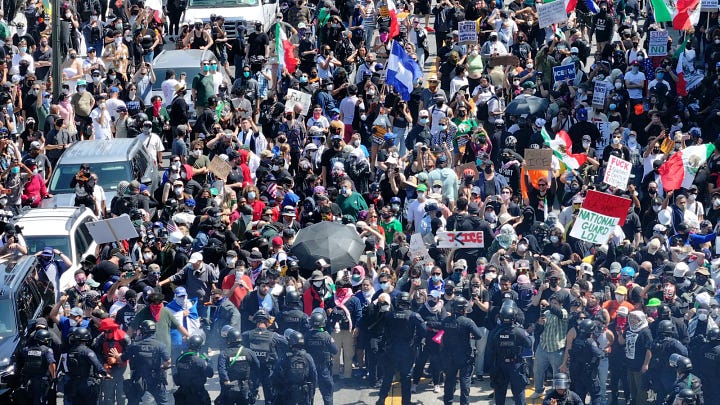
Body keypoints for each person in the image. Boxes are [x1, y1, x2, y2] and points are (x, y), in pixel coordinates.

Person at [376, 292, 427, 405]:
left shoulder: (389, 315)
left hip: (391, 349)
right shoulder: (414, 316)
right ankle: (406, 402)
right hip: (407, 350)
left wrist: (382, 348)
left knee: (388, 376)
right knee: (406, 377)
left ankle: (381, 399)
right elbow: (424, 331)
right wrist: (417, 341)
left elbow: (383, 332)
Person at [112, 320, 171, 405]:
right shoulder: (160, 345)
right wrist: (162, 367)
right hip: (155, 378)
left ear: (143, 331)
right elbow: (168, 361)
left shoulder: (135, 345)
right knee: (163, 403)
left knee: (133, 402)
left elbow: (121, 359)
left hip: (139, 379)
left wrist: (117, 356)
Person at [440, 296, 483, 405]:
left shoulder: (446, 321)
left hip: (449, 356)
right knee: (465, 382)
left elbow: (441, 330)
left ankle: (448, 402)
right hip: (464, 356)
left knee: (449, 381)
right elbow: (478, 335)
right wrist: (470, 335)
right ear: (463, 309)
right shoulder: (467, 322)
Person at [486, 305, 533, 405]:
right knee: (519, 393)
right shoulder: (518, 331)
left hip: (499, 364)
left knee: (499, 393)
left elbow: (489, 350)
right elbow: (529, 344)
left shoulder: (494, 332)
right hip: (515, 365)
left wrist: (490, 368)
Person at [241, 309, 286, 405]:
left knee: (249, 398)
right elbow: (287, 343)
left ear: (256, 321)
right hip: (268, 370)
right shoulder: (274, 336)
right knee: (270, 399)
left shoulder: (247, 334)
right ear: (267, 322)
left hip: (253, 370)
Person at [65, 327, 111, 405]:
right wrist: (105, 374)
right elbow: (97, 365)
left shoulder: (70, 351)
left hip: (74, 384)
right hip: (86, 384)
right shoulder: (88, 352)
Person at [217, 328, 262, 405]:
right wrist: (253, 381)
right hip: (244, 386)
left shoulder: (224, 353)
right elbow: (257, 366)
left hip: (229, 387)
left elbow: (221, 369)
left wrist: (226, 380)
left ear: (228, 340)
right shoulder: (249, 352)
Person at [272, 330, 318, 404]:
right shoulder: (307, 356)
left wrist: (279, 389)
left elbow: (276, 374)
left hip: (287, 391)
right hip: (303, 391)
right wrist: (312, 392)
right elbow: (314, 375)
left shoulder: (285, 356)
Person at [304, 310, 338, 405]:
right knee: (327, 394)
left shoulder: (306, 336)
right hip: (324, 369)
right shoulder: (326, 336)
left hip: (310, 369)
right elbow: (335, 350)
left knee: (309, 395)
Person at [568, 319, 604, 405]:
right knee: (596, 395)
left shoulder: (576, 340)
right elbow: (599, 354)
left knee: (580, 397)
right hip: (589, 374)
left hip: (578, 374)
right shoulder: (590, 342)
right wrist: (603, 352)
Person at [16, 329, 56, 405]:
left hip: (27, 380)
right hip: (40, 380)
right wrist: (54, 377)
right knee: (39, 400)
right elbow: (51, 364)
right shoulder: (47, 350)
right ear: (44, 340)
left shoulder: (26, 349)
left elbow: (20, 359)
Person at [173, 335, 214, 405]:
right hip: (198, 394)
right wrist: (209, 362)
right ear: (199, 347)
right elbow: (210, 374)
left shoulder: (179, 359)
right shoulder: (201, 361)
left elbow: (176, 379)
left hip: (183, 394)